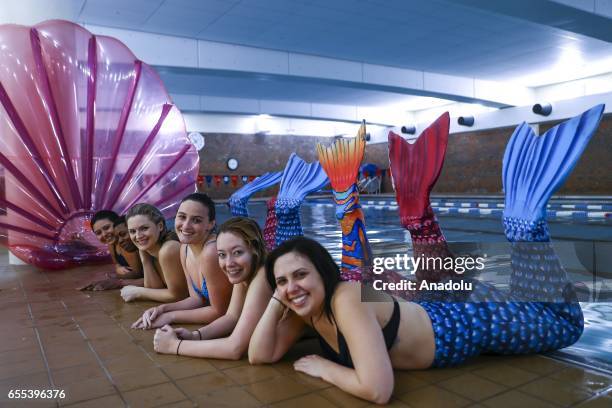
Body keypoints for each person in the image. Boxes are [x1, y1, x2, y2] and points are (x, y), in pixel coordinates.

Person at [248, 104, 605, 404]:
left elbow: (378, 390)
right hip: (433, 306)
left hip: (463, 319)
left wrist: (325, 368)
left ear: (322, 273)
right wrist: (280, 297)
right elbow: (258, 355)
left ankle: (524, 228)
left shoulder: (342, 301)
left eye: (298, 276)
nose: (291, 287)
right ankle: (421, 220)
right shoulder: (306, 306)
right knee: (460, 288)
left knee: (564, 324)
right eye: (282, 282)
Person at [152, 217, 272, 360]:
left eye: (238, 252)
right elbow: (231, 317)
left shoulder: (263, 276)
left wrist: (174, 346)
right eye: (222, 254)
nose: (229, 263)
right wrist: (195, 336)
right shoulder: (245, 273)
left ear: (254, 250)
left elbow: (234, 348)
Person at [132, 193, 232, 329]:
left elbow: (219, 312)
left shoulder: (212, 252)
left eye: (196, 220)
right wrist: (162, 309)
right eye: (182, 217)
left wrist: (170, 316)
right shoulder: (184, 248)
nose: (185, 226)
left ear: (210, 224)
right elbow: (197, 299)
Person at [120, 203, 188, 303]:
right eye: (132, 231)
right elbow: (154, 289)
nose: (138, 236)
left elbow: (179, 296)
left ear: (160, 226)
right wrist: (144, 258)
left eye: (144, 228)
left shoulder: (169, 249)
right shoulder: (150, 249)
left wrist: (138, 291)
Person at [80, 211, 143, 291]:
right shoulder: (112, 245)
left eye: (107, 228)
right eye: (98, 233)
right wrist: (118, 267)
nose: (104, 234)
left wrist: (115, 278)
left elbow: (138, 274)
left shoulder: (127, 244)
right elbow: (116, 263)